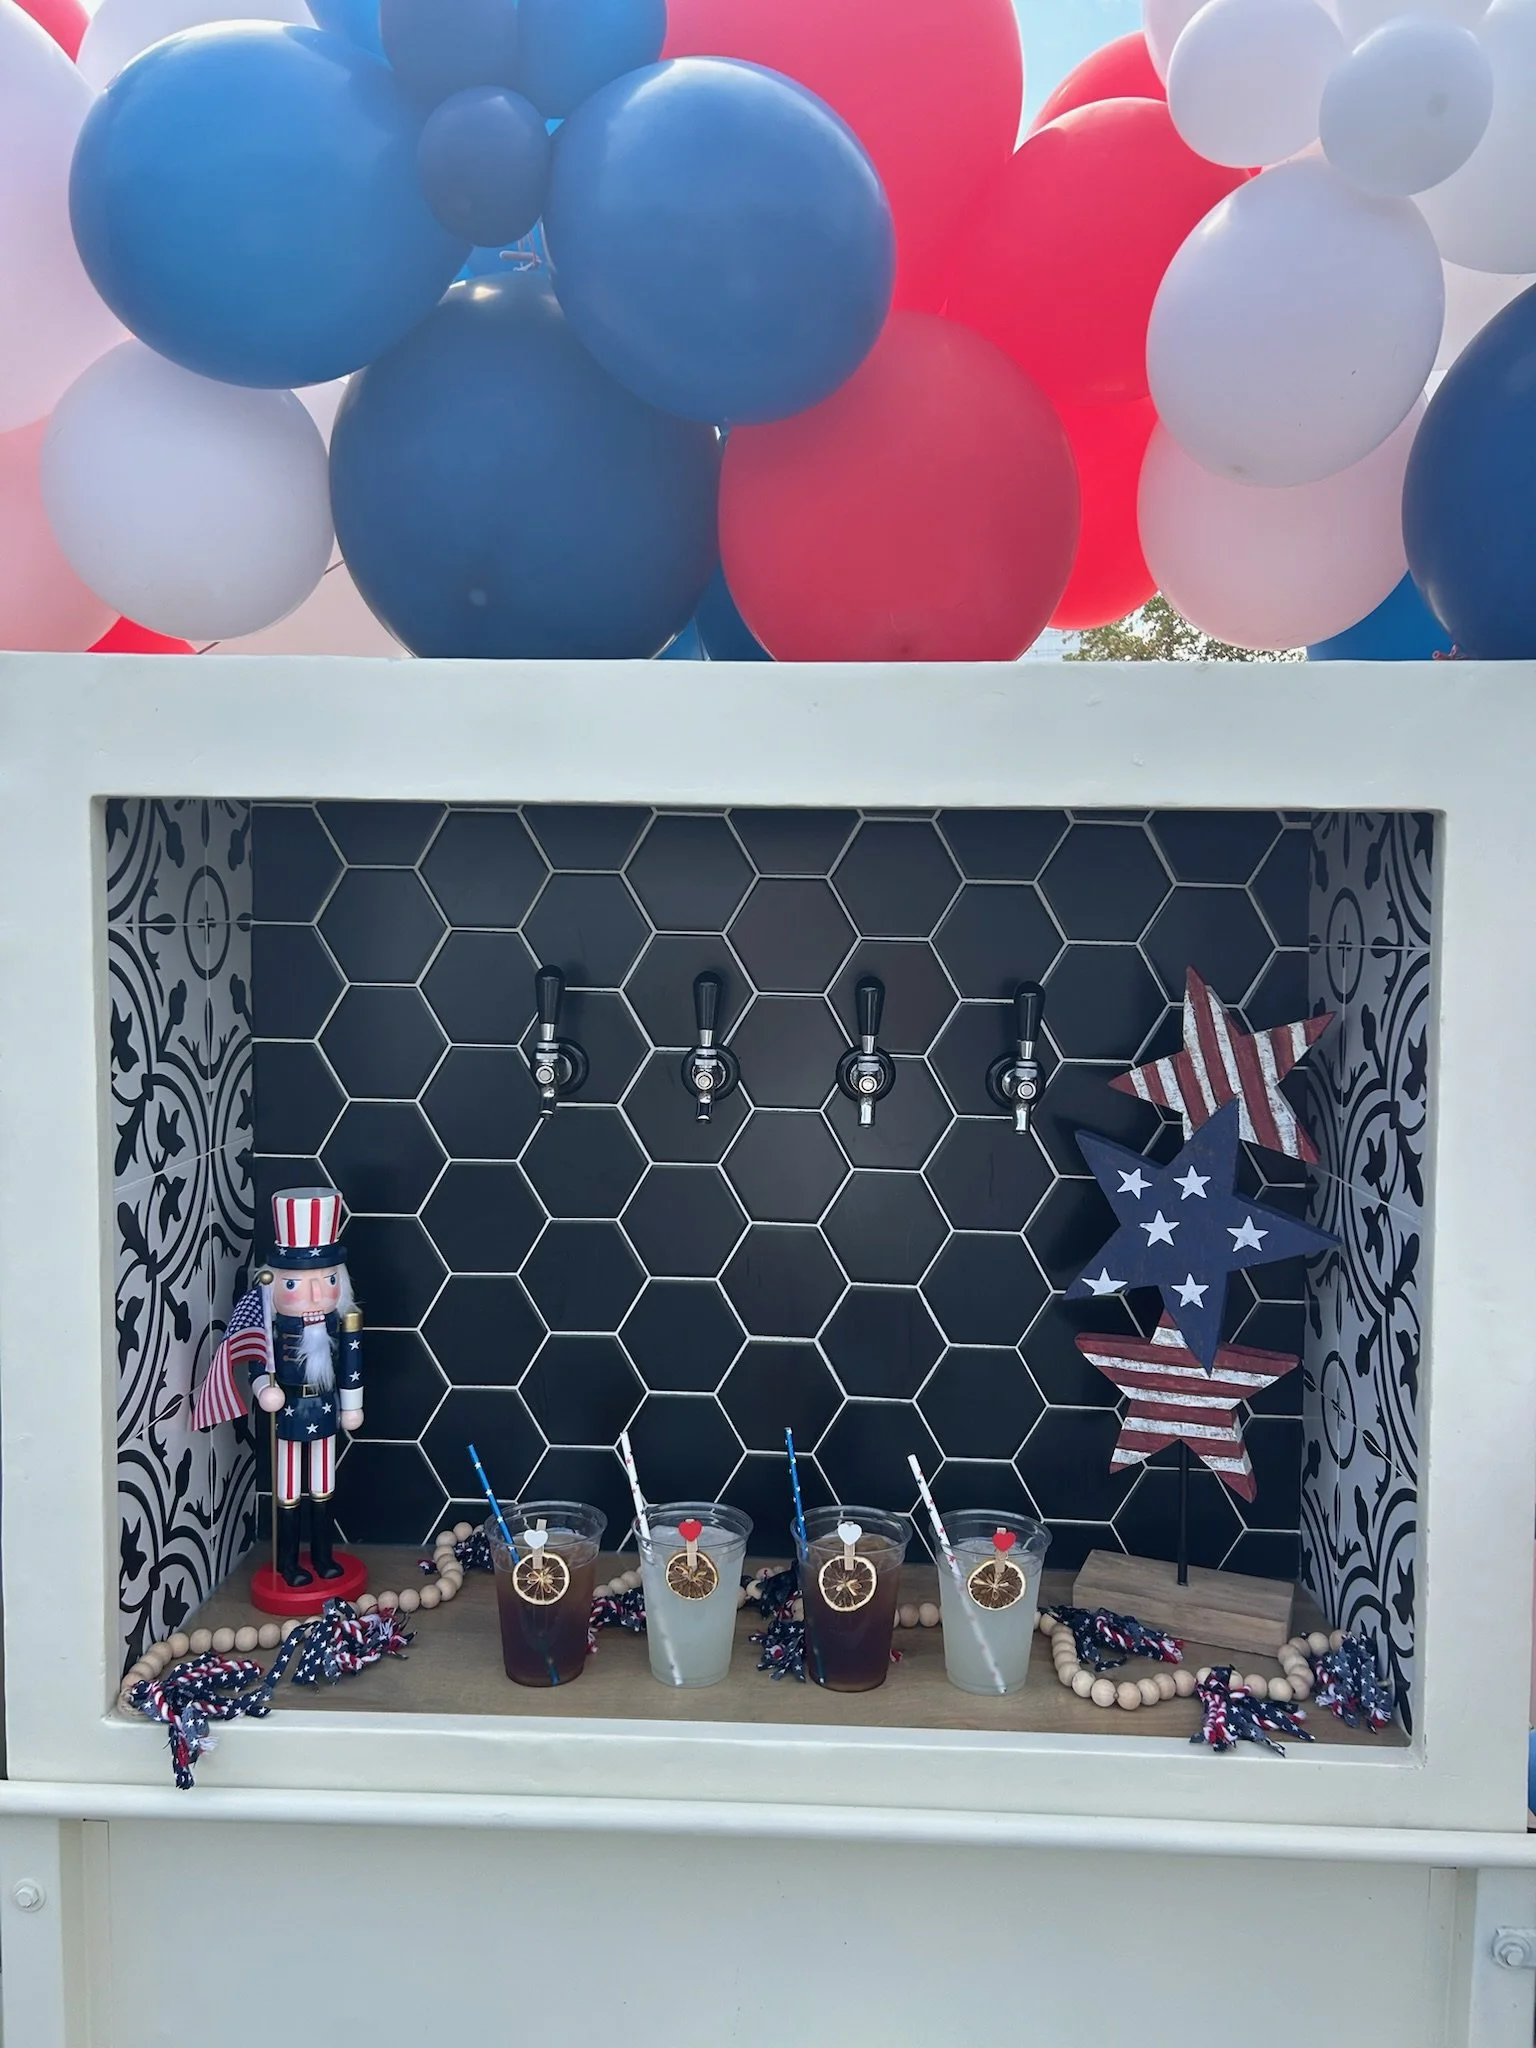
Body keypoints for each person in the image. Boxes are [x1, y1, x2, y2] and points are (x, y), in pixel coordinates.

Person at [194, 1187, 364, 1586]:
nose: (314, 1294)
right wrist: (261, 1388)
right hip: (288, 1413)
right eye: (296, 1284)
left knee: (323, 1486)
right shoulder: (269, 1329)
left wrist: (352, 1404)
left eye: (327, 1280)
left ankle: (323, 1557)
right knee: (288, 1489)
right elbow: (258, 1360)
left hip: (324, 1410)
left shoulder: (343, 1323)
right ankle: (288, 1563)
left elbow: (351, 1367)